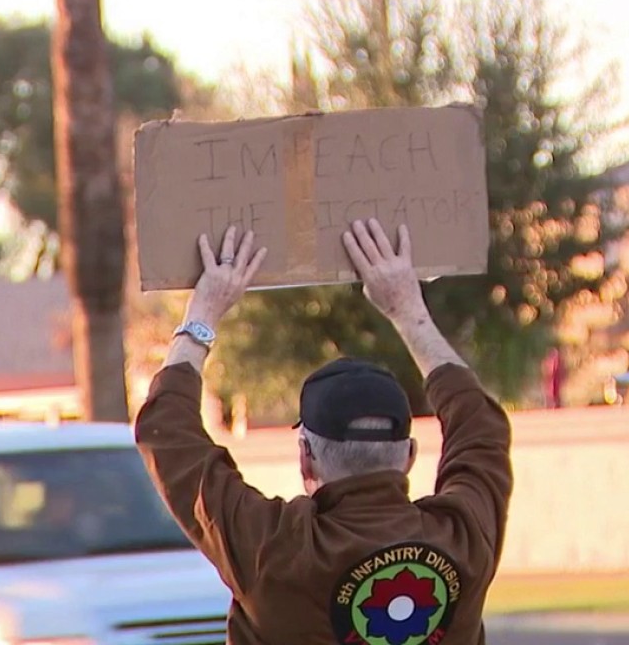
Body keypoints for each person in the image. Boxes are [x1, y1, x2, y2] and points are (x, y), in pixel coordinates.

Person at [134, 219, 514, 645]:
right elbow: (480, 425)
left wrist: (202, 314)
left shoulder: (276, 550)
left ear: (305, 458)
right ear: (408, 455)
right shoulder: (464, 539)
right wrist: (409, 311)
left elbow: (166, 429)